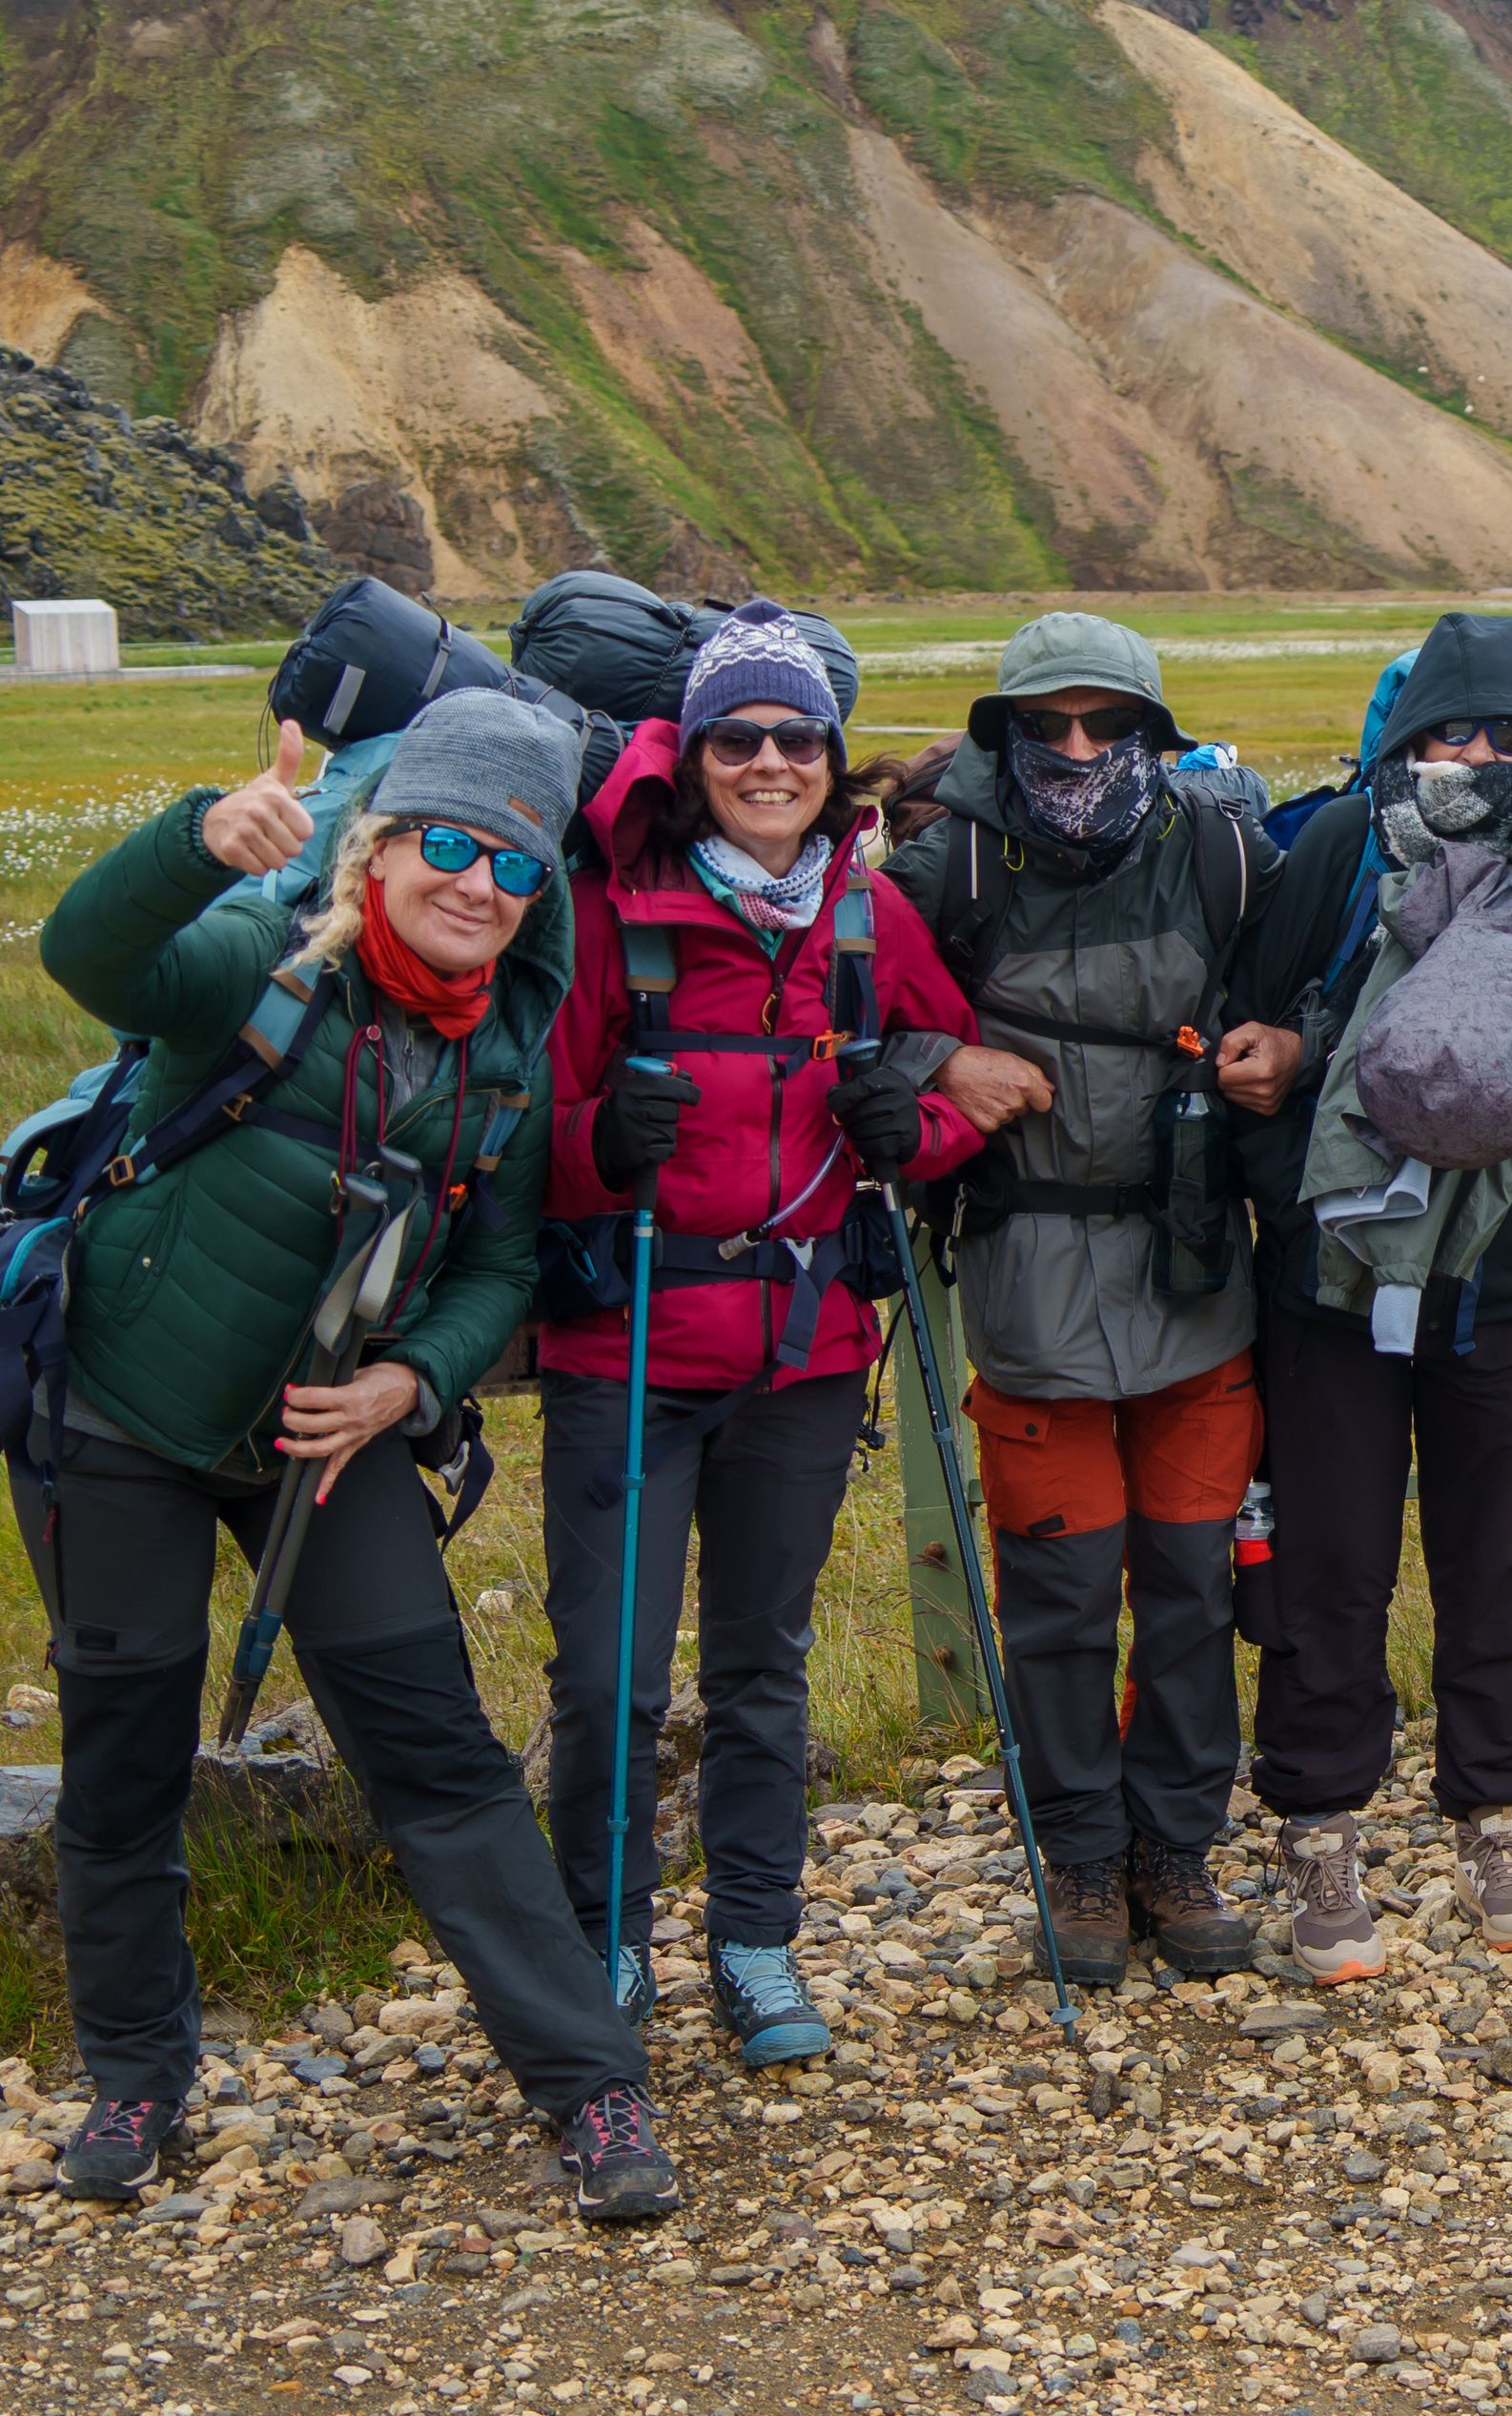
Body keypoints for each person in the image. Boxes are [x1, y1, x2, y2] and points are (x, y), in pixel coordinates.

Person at [23, 691, 679, 2219]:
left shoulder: (503, 1068)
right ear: (376, 848)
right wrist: (193, 842)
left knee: (440, 1756)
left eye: (515, 866)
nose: (478, 885)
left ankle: (593, 2091)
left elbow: (497, 1279)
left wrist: (405, 1390)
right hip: (123, 1420)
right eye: (447, 844)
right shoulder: (261, 964)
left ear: (540, 900)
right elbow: (90, 957)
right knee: (123, 1759)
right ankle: (132, 2075)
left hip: (328, 1435)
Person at [540, 602, 985, 2064]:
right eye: (740, 737)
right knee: (610, 1677)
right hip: (631, 1349)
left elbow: (951, 1099)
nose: (772, 761)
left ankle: (753, 1947)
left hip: (802, 1354)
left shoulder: (869, 915)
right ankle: (603, 1950)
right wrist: (605, 1139)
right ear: (696, 753)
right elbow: (521, 1129)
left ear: (833, 756)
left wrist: (902, 1126)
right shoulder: (612, 912)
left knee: (760, 1662)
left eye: (800, 737)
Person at [1231, 612, 1512, 1981]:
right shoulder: (1337, 850)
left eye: (1508, 734)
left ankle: (1499, 1817)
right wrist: (1297, 1204)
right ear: (1405, 739)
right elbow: (1252, 1044)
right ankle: (1320, 1830)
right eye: (1448, 733)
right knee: (1331, 1559)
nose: (1478, 756)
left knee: (1499, 1555)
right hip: (1334, 1285)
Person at [879, 613, 1287, 1986]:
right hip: (1028, 1278)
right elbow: (840, 1034)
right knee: (1058, 1600)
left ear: (1153, 735)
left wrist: (1292, 1047)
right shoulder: (944, 866)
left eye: (1108, 724)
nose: (1076, 749)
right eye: (1046, 724)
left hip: (1197, 1279)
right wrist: (938, 1063)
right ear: (1001, 732)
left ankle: (1175, 1850)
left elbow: (1330, 995)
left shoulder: (1229, 853)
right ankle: (1078, 1860)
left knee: (1188, 1592)